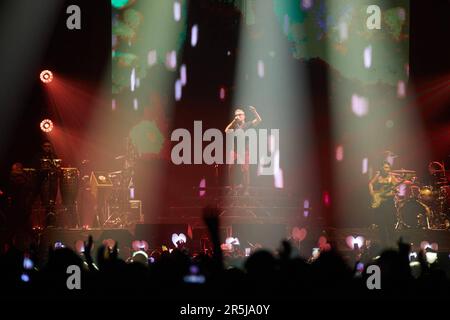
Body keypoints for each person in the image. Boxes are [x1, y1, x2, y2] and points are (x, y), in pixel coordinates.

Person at [224, 106, 262, 196]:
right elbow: (226, 131)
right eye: (236, 115)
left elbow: (259, 120)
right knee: (231, 167)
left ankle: (246, 190)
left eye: (239, 115)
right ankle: (232, 188)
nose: (237, 116)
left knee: (245, 170)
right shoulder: (235, 125)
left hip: (244, 150)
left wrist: (254, 111)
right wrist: (234, 121)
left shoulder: (248, 124)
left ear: (243, 116)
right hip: (235, 150)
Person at [368, 161, 400, 246]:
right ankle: (383, 245)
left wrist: (393, 192)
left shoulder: (392, 177)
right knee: (381, 225)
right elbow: (370, 183)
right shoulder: (378, 176)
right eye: (385, 167)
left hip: (389, 204)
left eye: (388, 168)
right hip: (380, 204)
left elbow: (396, 190)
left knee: (390, 224)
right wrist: (372, 193)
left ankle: (393, 244)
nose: (387, 169)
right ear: (382, 168)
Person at [33, 140, 60, 227]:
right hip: (43, 181)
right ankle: (44, 222)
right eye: (45, 146)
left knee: (52, 202)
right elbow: (35, 169)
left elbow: (58, 167)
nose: (47, 148)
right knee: (45, 202)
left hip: (53, 181)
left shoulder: (53, 156)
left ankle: (52, 221)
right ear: (42, 147)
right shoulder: (38, 156)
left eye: (49, 146)